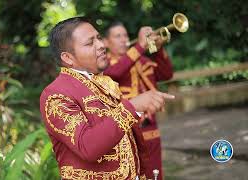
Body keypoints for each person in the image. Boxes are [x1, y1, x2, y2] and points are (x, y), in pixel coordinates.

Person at [39, 17, 175, 180]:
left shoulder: (103, 82)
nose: (102, 45)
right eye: (90, 43)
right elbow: (88, 146)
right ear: (68, 58)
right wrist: (133, 107)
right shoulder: (55, 94)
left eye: (98, 38)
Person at [103, 22, 174, 180]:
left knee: (155, 175)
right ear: (106, 42)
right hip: (126, 133)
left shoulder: (140, 59)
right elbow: (116, 72)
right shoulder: (104, 65)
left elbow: (166, 74)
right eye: (118, 36)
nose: (124, 39)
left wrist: (158, 48)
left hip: (151, 129)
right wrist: (141, 46)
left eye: (125, 35)